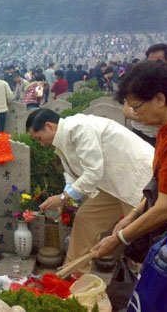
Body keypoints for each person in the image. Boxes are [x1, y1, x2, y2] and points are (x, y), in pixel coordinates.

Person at [26, 108, 154, 273]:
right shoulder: (62, 140)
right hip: (112, 185)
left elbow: (93, 172)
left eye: (39, 138)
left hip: (136, 183)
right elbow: (73, 174)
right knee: (85, 219)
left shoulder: (79, 128)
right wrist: (64, 197)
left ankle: (146, 282)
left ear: (49, 126)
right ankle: (74, 273)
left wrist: (64, 198)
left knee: (140, 237)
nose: (41, 144)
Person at [92, 60, 167, 260]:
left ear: (159, 99)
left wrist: (118, 239)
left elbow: (165, 208)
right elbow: (159, 184)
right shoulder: (166, 129)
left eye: (137, 107)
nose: (135, 115)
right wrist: (132, 217)